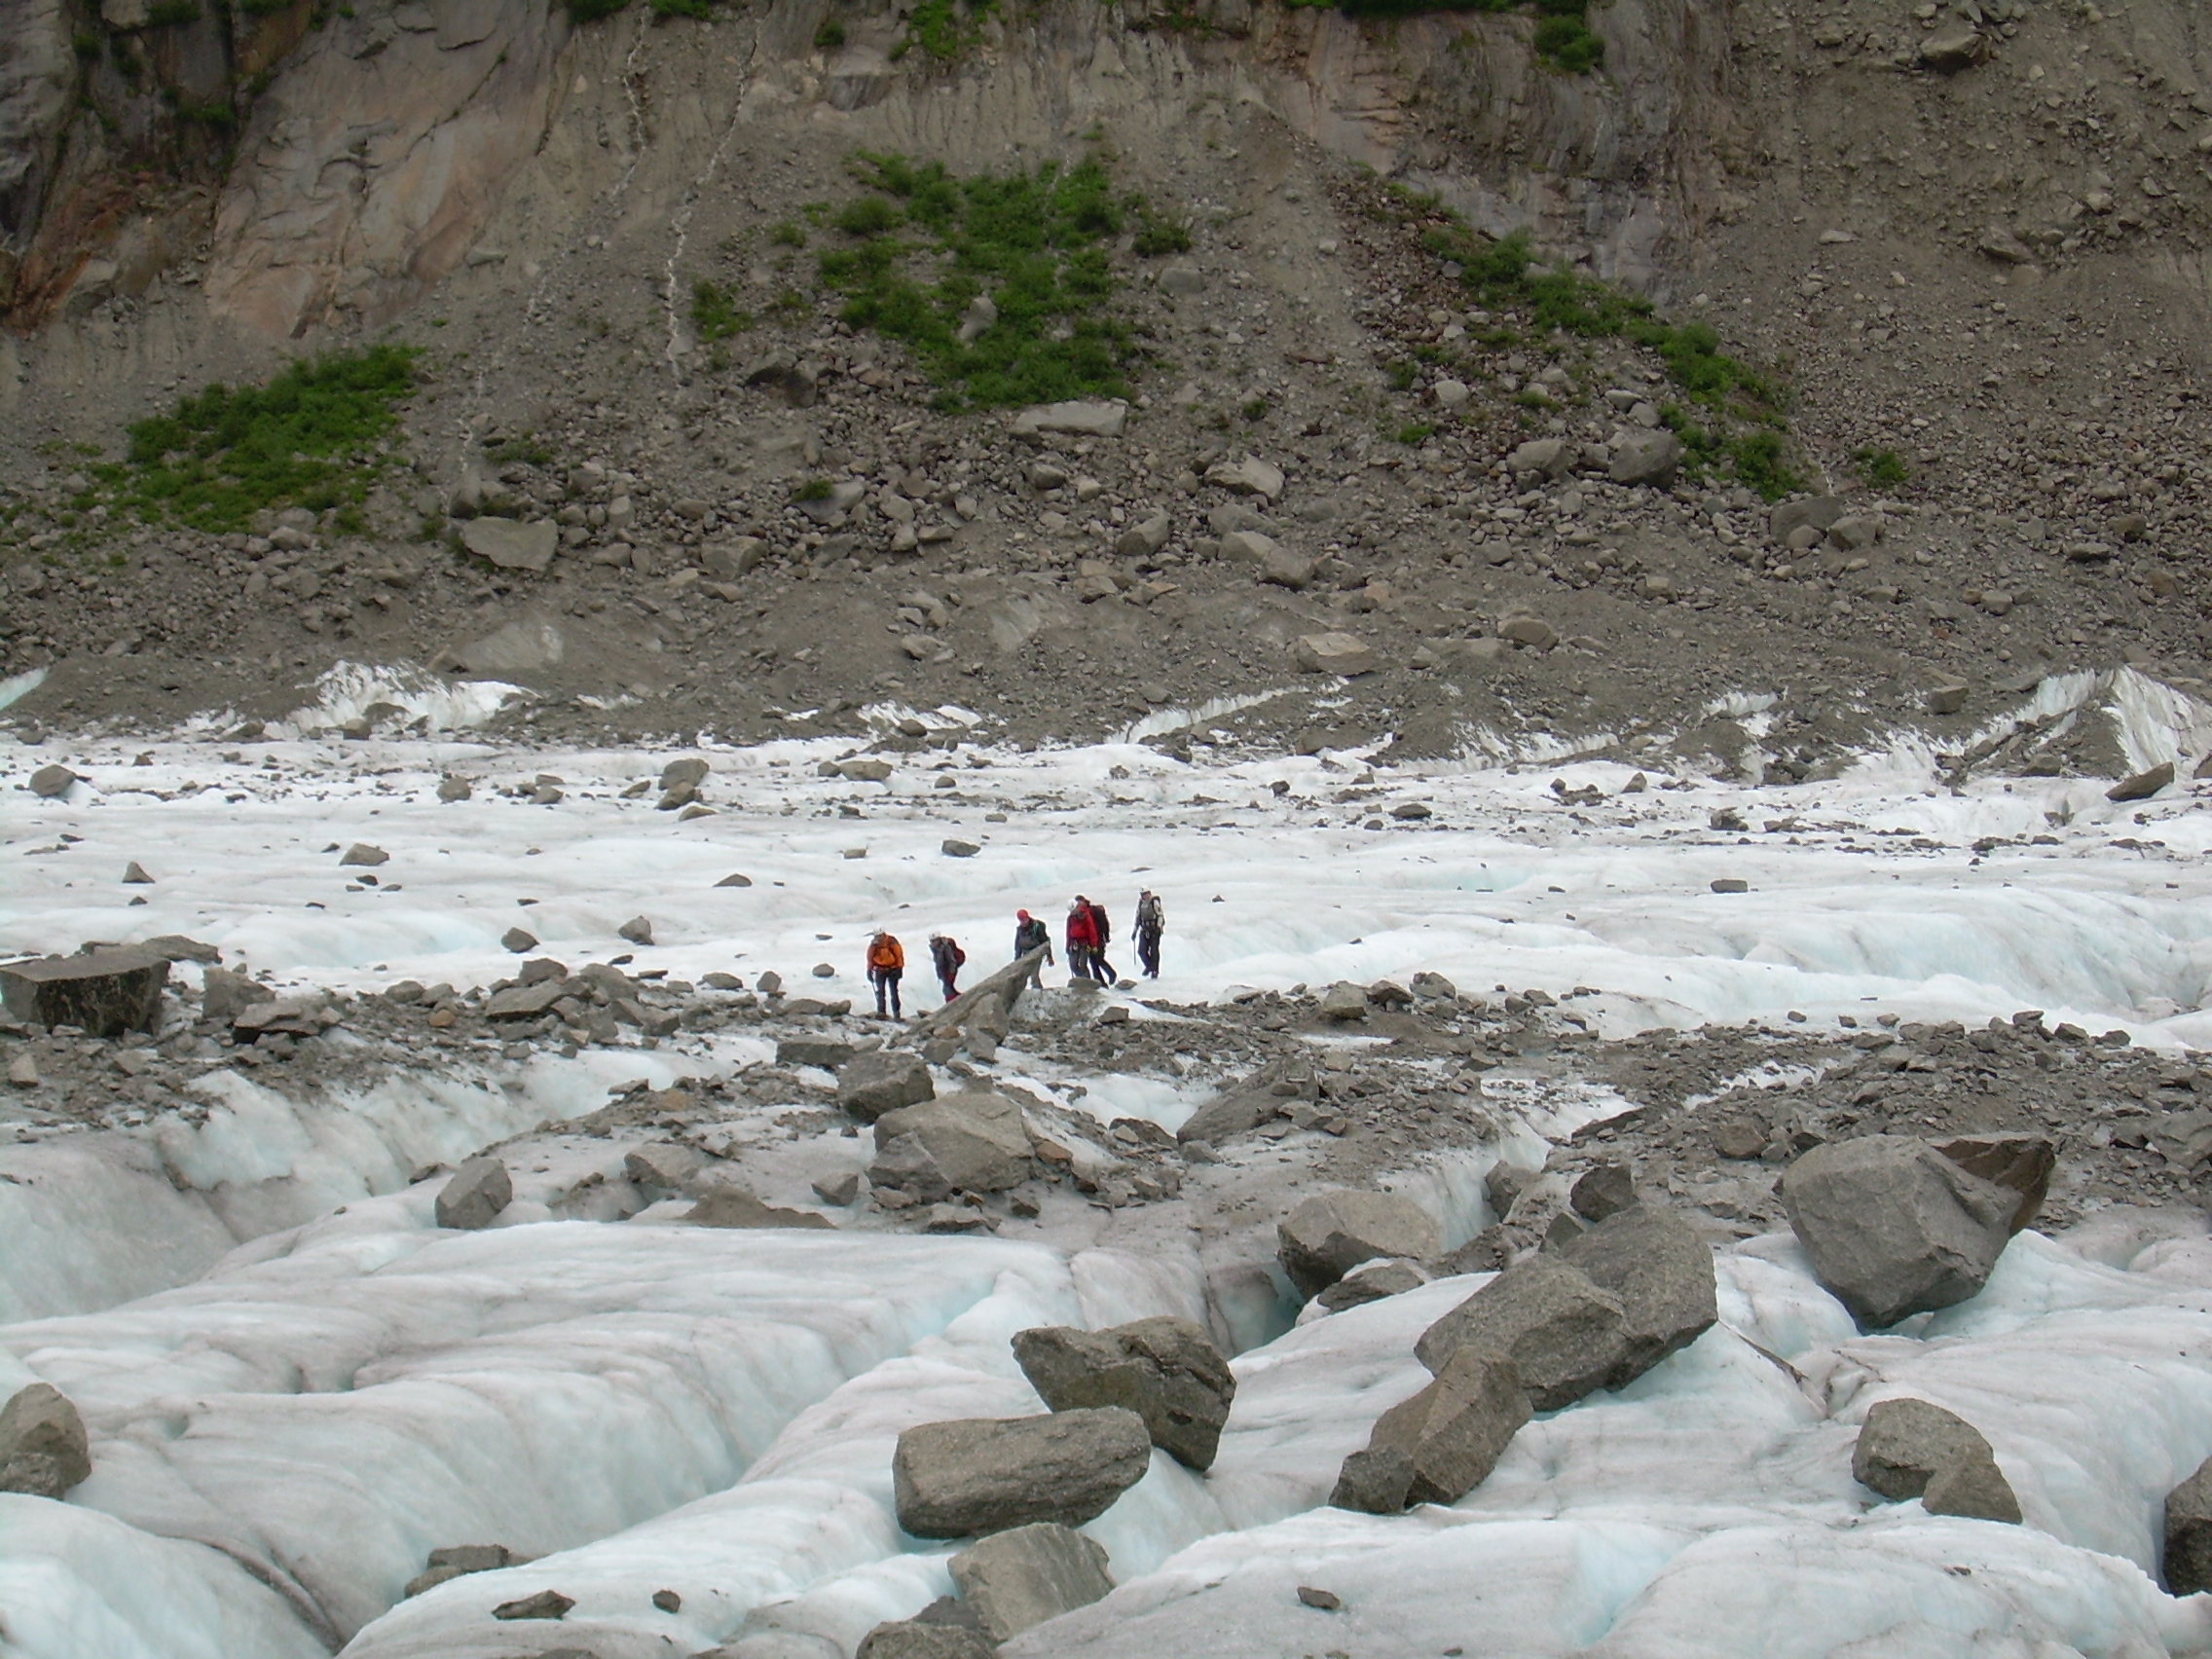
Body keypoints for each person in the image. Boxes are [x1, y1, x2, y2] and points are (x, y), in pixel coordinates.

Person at [866, 930, 904, 1018]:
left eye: (879, 936)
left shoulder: (891, 942)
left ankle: (896, 1012)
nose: (878, 938)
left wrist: (899, 968)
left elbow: (899, 955)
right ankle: (881, 1012)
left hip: (892, 969)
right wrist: (869, 970)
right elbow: (870, 958)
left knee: (893, 991)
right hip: (880, 970)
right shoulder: (875, 945)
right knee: (880, 991)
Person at [1065, 898, 1100, 985]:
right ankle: (1081, 980)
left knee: (1083, 964)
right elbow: (1068, 933)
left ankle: (1087, 982)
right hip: (1074, 943)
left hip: (1084, 943)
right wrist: (1067, 946)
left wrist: (1094, 945)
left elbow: (1091, 930)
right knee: (1073, 965)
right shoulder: (1070, 918)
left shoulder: (1085, 916)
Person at [1086, 896, 1118, 984]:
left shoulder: (1092, 912)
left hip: (1098, 940)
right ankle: (1101, 982)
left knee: (1098, 959)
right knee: (1093, 962)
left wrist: (1105, 937)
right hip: (1090, 942)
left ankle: (1111, 974)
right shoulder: (1085, 913)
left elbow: (1103, 925)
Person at [1135, 889, 1164, 979]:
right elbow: (1138, 917)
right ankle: (1149, 966)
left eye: (1147, 894)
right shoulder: (1140, 904)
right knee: (1141, 951)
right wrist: (1135, 931)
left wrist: (1158, 928)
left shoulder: (1154, 902)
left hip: (1154, 929)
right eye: (1144, 894)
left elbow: (1160, 915)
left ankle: (1155, 970)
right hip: (1144, 929)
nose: (1146, 896)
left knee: (1154, 951)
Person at [930, 933, 965, 1003]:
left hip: (949, 971)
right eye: (932, 941)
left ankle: (951, 1003)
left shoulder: (946, 947)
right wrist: (938, 973)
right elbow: (938, 963)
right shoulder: (936, 949)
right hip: (944, 972)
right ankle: (959, 1000)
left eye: (935, 940)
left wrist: (951, 972)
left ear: (939, 940)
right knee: (949, 988)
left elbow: (952, 961)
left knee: (947, 989)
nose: (933, 943)